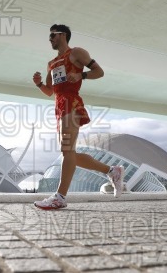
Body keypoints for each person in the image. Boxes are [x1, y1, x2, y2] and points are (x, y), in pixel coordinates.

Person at [32, 24, 124, 210]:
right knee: (69, 152)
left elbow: (99, 72)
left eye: (53, 35)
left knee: (67, 150)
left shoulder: (77, 53)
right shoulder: (51, 63)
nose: (50, 39)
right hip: (59, 106)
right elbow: (50, 92)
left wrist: (80, 75)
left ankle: (60, 197)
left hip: (72, 104)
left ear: (63, 35)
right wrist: (39, 83)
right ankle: (112, 171)